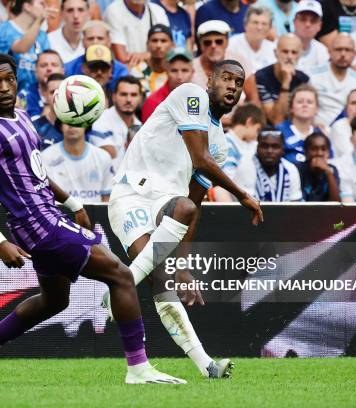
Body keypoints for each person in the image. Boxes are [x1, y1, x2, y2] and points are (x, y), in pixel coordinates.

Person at [0, 52, 185, 385]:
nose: (4, 87)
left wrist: (73, 202)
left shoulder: (20, 116)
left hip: (48, 216)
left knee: (55, 301)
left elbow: (36, 172)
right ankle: (138, 368)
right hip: (40, 227)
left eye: (9, 79)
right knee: (121, 276)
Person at [105, 59, 262, 379]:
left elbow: (194, 201)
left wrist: (184, 264)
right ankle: (163, 361)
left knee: (186, 213)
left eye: (238, 82)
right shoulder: (191, 94)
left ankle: (207, 367)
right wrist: (243, 194)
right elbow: (199, 158)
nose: (232, 86)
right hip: (131, 194)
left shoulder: (220, 144)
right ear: (210, 80)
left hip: (167, 203)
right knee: (160, 282)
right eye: (226, 78)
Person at [309, 33, 356, 127]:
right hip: (316, 131)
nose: (343, 54)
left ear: (354, 54)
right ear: (329, 52)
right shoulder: (312, 76)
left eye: (347, 50)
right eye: (338, 49)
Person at [42, 123, 113, 203]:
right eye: (67, 121)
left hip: (94, 214)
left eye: (76, 121)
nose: (71, 126)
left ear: (86, 125)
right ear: (61, 126)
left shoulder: (103, 156)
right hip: (60, 213)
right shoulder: (46, 156)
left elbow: (107, 198)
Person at [0, 0, 54, 93]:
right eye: (41, 4)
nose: (45, 9)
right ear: (27, 6)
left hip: (35, 96)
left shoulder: (42, 36)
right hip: (8, 92)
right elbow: (21, 48)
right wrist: (39, 21)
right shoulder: (3, 28)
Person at [192, 20, 256, 103]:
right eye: (207, 42)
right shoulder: (191, 68)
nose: (213, 46)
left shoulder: (240, 61)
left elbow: (253, 98)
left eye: (219, 41)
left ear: (227, 42)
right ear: (200, 45)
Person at [214, 102, 267, 201]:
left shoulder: (251, 144)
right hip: (236, 200)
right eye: (258, 129)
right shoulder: (227, 143)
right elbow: (227, 180)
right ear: (249, 122)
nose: (257, 135)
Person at [253, 34, 309, 125]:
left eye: (294, 52)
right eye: (285, 51)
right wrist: (286, 83)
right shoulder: (261, 77)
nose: (289, 57)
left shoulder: (303, 80)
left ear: (299, 55)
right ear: (276, 53)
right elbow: (276, 120)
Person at [91, 76, 142, 170]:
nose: (129, 100)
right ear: (114, 97)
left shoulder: (140, 126)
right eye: (123, 94)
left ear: (140, 98)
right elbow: (109, 161)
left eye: (134, 95)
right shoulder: (100, 122)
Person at [64, 20, 129, 91]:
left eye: (100, 38)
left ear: (109, 42)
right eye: (90, 39)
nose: (95, 42)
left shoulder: (121, 71)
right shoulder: (69, 69)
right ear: (83, 42)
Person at [103, 0, 169, 67]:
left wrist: (147, 55)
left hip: (156, 69)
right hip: (127, 71)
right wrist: (155, 55)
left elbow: (169, 48)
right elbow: (122, 59)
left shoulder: (158, 10)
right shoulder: (113, 11)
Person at [141, 47, 194, 122]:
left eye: (184, 70)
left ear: (192, 72)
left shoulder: (202, 99)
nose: (179, 76)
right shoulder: (153, 101)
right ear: (166, 72)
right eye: (174, 71)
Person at [276, 84, 323, 164]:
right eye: (300, 102)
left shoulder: (321, 135)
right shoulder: (279, 131)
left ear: (317, 109)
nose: (305, 105)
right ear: (291, 107)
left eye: (309, 102)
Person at [253, 128, 303, 201]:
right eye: (264, 146)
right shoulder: (247, 167)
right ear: (257, 148)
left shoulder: (291, 169)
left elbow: (295, 203)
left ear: (283, 149)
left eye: (275, 147)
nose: (269, 151)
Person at [227, 5, 276, 73]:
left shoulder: (274, 49)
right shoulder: (232, 45)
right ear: (245, 25)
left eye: (264, 24)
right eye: (255, 23)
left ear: (270, 28)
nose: (259, 27)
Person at [18, 50, 64, 120]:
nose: (49, 69)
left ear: (63, 70)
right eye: (44, 65)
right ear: (35, 71)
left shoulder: (74, 93)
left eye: (54, 65)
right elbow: (32, 129)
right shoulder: (25, 96)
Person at [129, 24, 173, 96]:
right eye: (154, 41)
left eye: (163, 41)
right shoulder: (138, 70)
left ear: (172, 45)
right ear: (147, 44)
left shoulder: (176, 71)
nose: (158, 45)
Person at [297, 132, 340, 202]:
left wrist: (329, 174)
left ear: (328, 152)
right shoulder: (297, 169)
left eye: (323, 149)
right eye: (314, 149)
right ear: (306, 152)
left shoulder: (332, 170)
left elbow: (336, 204)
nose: (319, 153)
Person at [293, 0, 330, 75]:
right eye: (303, 19)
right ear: (294, 22)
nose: (307, 24)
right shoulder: (280, 45)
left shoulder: (323, 51)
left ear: (319, 26)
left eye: (313, 21)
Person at [32, 73, 65, 149]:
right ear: (45, 95)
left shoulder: (80, 126)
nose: (57, 96)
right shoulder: (33, 128)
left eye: (62, 91)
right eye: (52, 92)